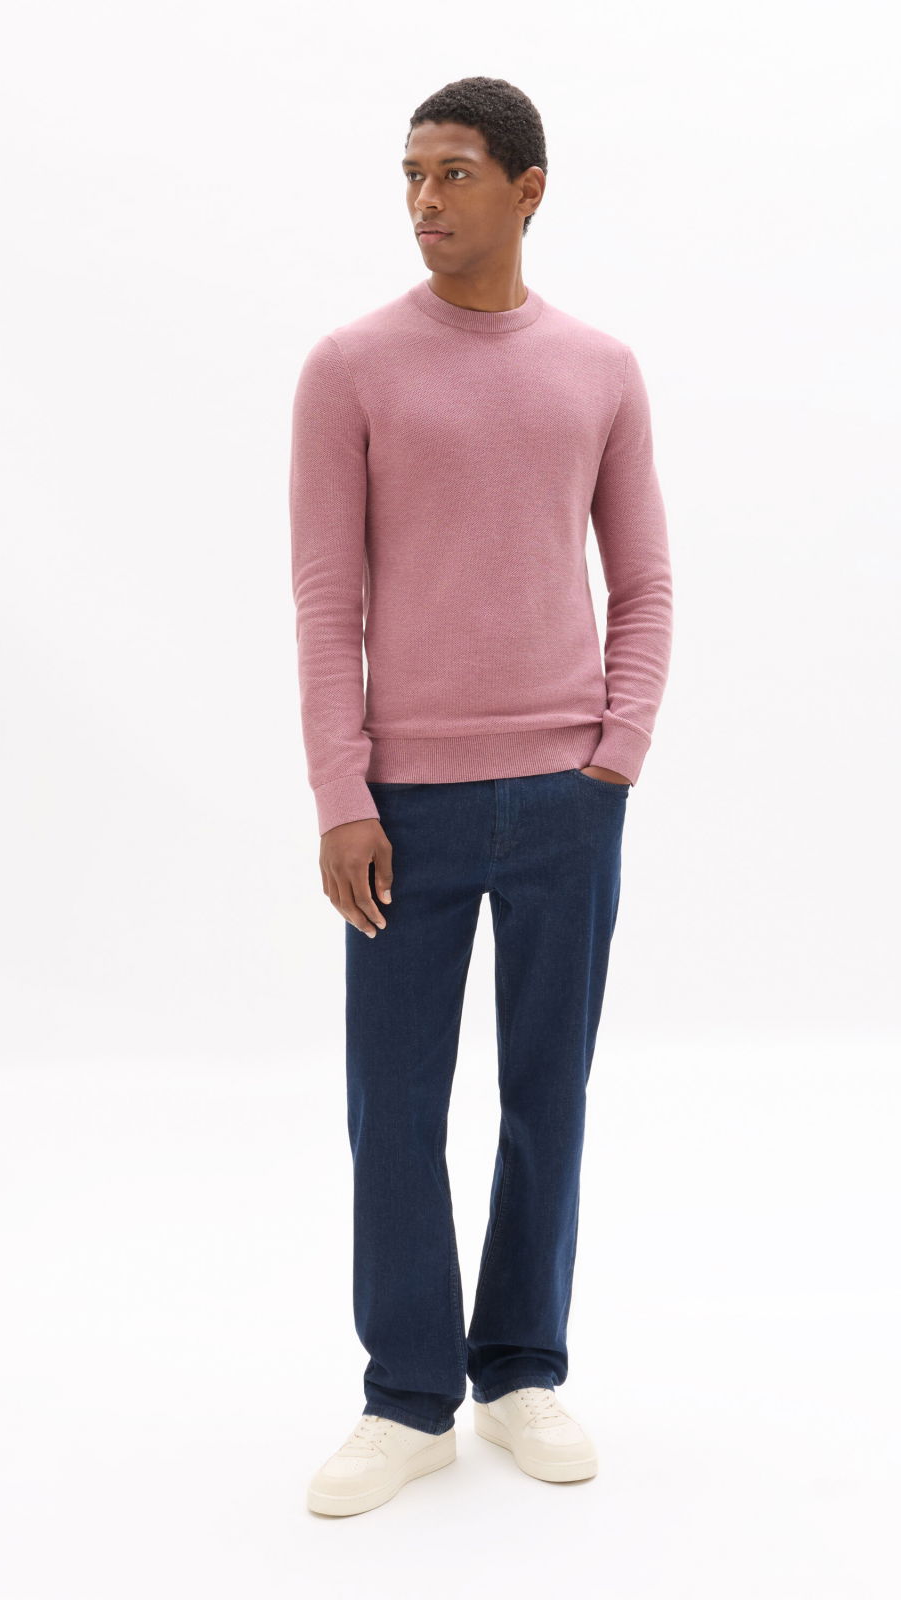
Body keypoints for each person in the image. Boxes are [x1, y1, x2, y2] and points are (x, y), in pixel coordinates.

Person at [290, 76, 673, 1517]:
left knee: (543, 1095)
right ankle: (406, 1397)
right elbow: (326, 603)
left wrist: (616, 751)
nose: (424, 199)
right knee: (393, 1106)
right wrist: (342, 790)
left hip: (569, 799)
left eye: (453, 171)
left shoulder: (600, 370)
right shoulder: (351, 369)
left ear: (527, 189)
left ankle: (518, 1370)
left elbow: (645, 581)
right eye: (410, 173)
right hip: (406, 806)